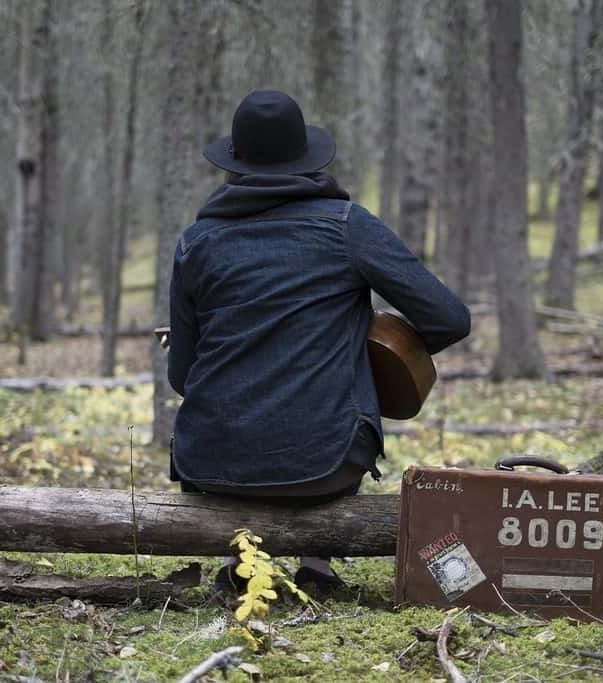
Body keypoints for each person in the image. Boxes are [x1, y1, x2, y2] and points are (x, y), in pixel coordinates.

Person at [167, 90, 470, 590]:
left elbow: (181, 376)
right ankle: (317, 565)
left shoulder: (195, 243)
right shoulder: (348, 228)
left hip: (212, 464)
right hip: (322, 466)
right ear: (305, 159)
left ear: (235, 164)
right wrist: (374, 350)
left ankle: (240, 564)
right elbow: (449, 319)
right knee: (327, 420)